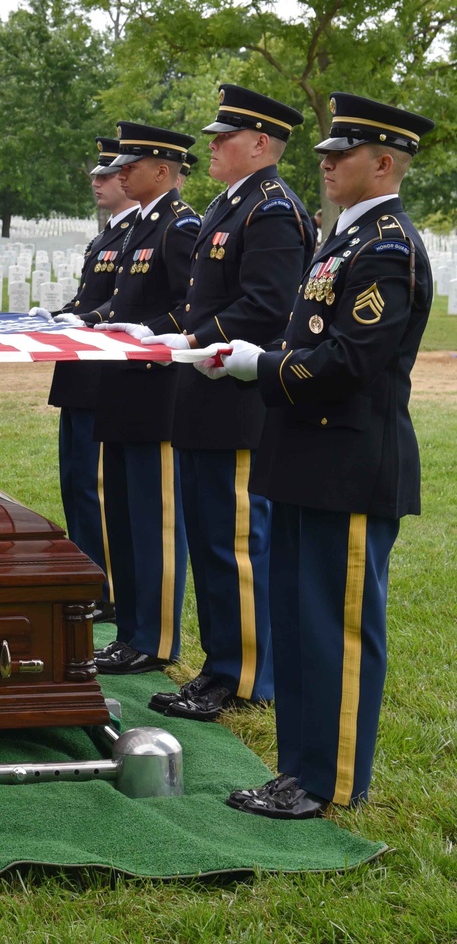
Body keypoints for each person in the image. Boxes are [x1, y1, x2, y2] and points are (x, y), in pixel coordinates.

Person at [204, 94, 434, 818]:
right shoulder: (343, 239)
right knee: (300, 624)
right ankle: (297, 769)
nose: (325, 163)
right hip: (306, 456)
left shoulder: (388, 244)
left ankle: (330, 780)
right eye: (327, 152)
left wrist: (259, 367)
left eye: (342, 154)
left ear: (384, 163)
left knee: (334, 627)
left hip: (350, 463)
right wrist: (263, 356)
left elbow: (348, 361)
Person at [147, 85, 315, 721]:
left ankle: (244, 676)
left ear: (262, 145)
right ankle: (221, 665)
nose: (212, 145)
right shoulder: (233, 204)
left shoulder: (271, 209)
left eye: (225, 137)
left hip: (239, 398)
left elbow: (269, 306)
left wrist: (191, 337)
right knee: (209, 535)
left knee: (236, 542)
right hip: (204, 395)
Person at [81, 123, 200, 674]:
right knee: (124, 520)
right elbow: (122, 303)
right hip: (122, 389)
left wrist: (151, 332)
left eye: (131, 164)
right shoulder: (136, 228)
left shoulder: (179, 225)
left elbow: (189, 306)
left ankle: (155, 639)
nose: (119, 171)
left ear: (162, 169)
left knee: (153, 524)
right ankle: (130, 630)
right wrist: (88, 322)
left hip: (156, 394)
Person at [42, 136, 139, 617]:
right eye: (97, 175)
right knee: (77, 485)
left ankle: (108, 588)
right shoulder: (106, 235)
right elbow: (88, 301)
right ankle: (87, 577)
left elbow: (120, 307)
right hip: (80, 378)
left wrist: (86, 319)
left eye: (107, 175)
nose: (98, 183)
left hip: (105, 382)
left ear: (128, 178)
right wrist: (55, 317)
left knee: (96, 490)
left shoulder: (134, 235)